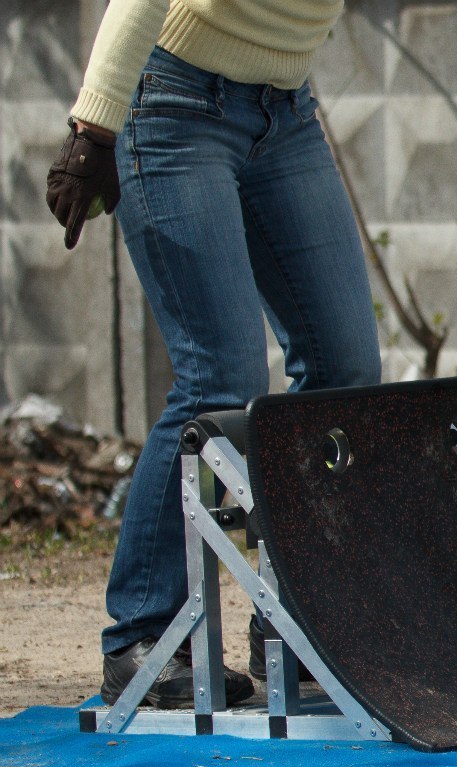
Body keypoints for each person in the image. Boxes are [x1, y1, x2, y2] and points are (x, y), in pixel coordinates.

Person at [46, 0, 382, 708]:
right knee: (219, 379)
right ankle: (144, 635)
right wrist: (94, 127)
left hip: (286, 113)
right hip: (172, 103)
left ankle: (290, 623)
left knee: (344, 369)